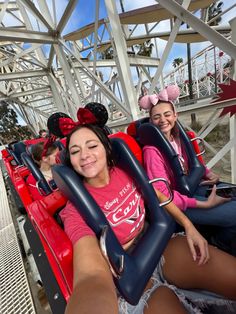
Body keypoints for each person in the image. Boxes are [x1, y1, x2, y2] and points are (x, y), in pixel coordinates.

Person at [59, 123, 236, 314]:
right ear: (71, 161)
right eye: (75, 151)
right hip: (133, 277)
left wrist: (188, 225)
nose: (84, 155)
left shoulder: (124, 171)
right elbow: (90, 276)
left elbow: (157, 195)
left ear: (106, 148)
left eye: (92, 146)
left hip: (159, 246)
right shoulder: (75, 211)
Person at [140, 84, 236, 255]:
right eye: (156, 117)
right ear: (150, 122)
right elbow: (164, 196)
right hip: (177, 205)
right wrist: (204, 204)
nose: (163, 120)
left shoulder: (177, 138)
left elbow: (192, 161)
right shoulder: (152, 151)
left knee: (232, 196)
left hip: (191, 189)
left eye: (167, 114)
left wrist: (208, 173)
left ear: (175, 115)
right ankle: (220, 243)